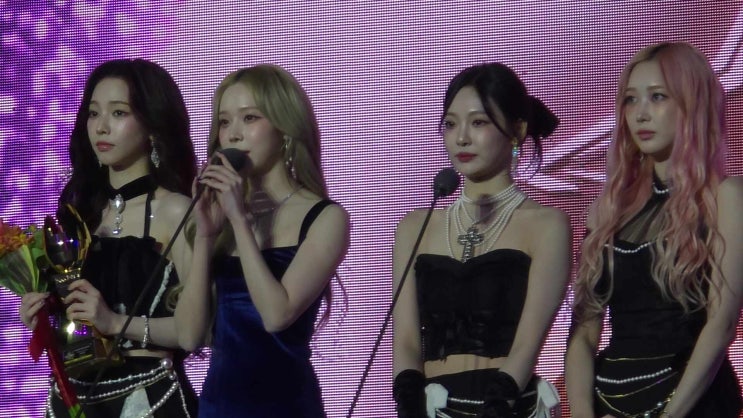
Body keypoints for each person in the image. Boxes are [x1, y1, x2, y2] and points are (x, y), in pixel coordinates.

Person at [566, 42, 743, 418]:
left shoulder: (727, 197)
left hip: (692, 402)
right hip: (609, 400)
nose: (640, 113)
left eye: (658, 97)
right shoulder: (607, 211)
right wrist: (581, 411)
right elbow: (582, 333)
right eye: (631, 100)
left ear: (693, 105)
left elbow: (721, 324)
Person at [19, 59, 199, 417]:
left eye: (118, 113)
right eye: (93, 113)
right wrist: (42, 318)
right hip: (74, 399)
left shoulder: (177, 210)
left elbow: (198, 331)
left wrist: (115, 323)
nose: (101, 127)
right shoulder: (78, 215)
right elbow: (74, 328)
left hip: (149, 399)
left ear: (152, 125)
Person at [392, 63, 570, 417]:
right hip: (434, 407)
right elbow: (407, 339)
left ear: (517, 130)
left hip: (507, 406)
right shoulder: (416, 227)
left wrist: (499, 401)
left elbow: (528, 344)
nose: (461, 138)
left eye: (478, 123)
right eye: (450, 124)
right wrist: (409, 401)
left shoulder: (547, 225)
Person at [174, 64, 349, 417]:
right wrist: (206, 236)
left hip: (286, 407)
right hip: (218, 407)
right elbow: (189, 336)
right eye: (224, 122)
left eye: (250, 118)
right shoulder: (218, 216)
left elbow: (276, 314)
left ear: (285, 128)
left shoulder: (326, 217)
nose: (234, 134)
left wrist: (240, 221)